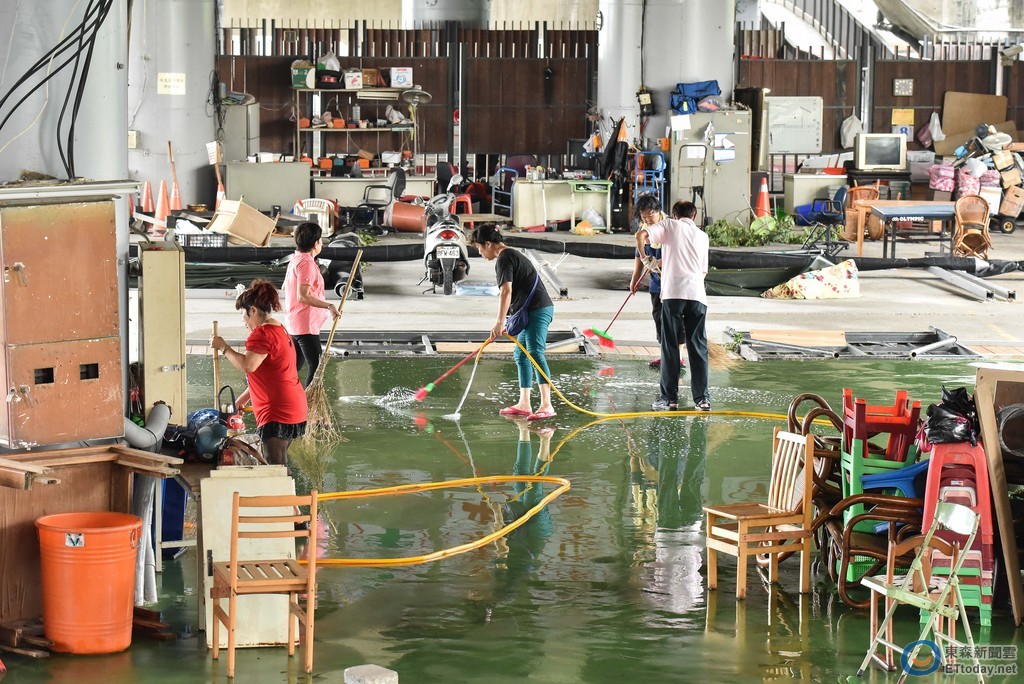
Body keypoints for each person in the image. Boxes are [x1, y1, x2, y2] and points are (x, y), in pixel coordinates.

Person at [210, 279, 308, 466]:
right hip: (293, 404)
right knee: (279, 464)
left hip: (277, 410)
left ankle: (285, 487)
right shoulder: (280, 329)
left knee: (276, 466)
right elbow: (268, 374)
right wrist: (242, 400)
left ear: (253, 310)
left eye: (244, 316)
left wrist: (224, 348)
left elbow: (248, 365)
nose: (245, 322)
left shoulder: (262, 333)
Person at [469, 223, 556, 421]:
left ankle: (547, 405)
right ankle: (524, 404)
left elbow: (506, 291)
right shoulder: (510, 255)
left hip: (537, 310)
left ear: (488, 244)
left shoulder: (504, 258)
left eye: (479, 247)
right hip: (530, 310)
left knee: (534, 352)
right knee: (521, 354)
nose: (480, 252)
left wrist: (500, 322)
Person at [633, 195, 711, 412]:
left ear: (674, 215)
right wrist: (661, 263)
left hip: (673, 295)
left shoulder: (669, 225)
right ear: (694, 216)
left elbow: (640, 236)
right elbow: (702, 271)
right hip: (697, 295)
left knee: (670, 346)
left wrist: (645, 258)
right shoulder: (703, 236)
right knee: (698, 346)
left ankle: (669, 399)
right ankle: (702, 400)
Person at [283, 222, 340, 387]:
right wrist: (329, 306)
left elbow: (286, 287)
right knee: (316, 365)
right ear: (316, 244)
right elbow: (303, 296)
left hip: (296, 322)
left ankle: (287, 397)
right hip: (304, 324)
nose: (321, 244)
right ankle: (308, 400)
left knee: (294, 367)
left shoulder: (296, 259)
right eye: (321, 240)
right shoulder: (306, 263)